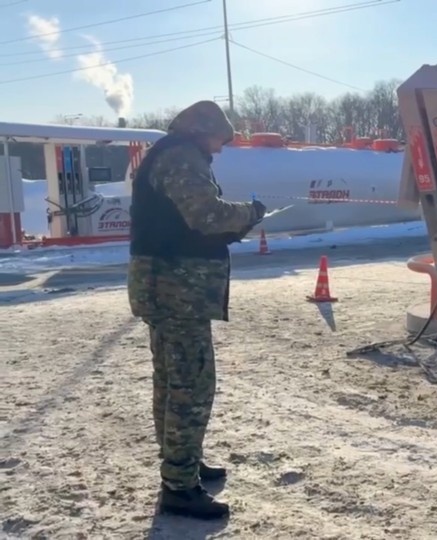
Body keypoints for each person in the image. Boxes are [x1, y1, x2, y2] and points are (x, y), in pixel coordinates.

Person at [127, 100, 266, 519]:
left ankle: (183, 463)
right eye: (218, 139)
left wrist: (234, 223)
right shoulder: (182, 157)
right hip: (176, 291)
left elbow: (185, 222)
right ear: (200, 130)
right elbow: (205, 215)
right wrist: (250, 213)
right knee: (191, 385)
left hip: (167, 288)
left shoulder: (171, 155)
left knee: (172, 382)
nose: (220, 149)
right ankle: (179, 486)